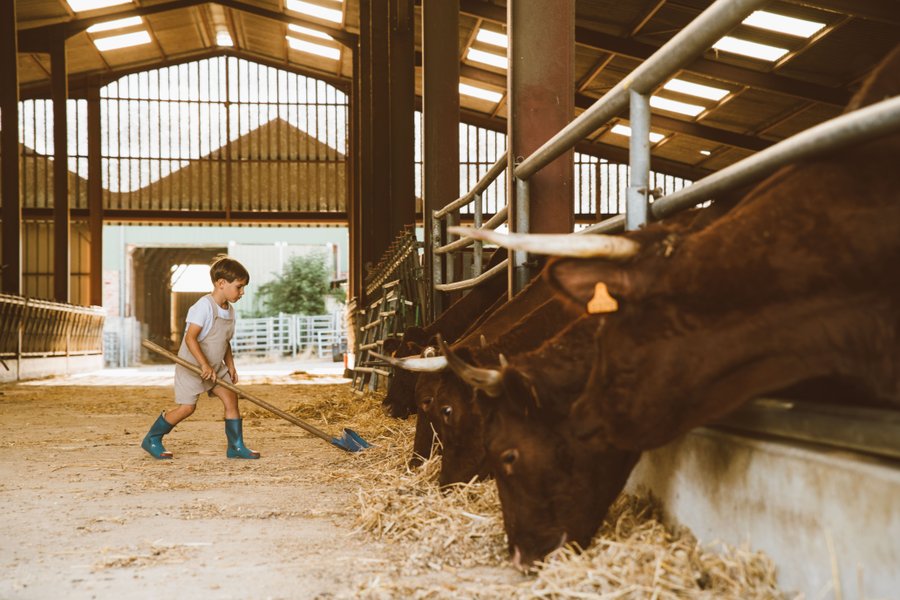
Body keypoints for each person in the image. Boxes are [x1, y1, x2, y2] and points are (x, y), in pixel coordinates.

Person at [141, 255, 260, 460]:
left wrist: (230, 366)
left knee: (231, 400)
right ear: (221, 283)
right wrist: (204, 365)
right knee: (187, 408)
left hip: (215, 365)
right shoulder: (203, 306)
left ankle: (235, 446)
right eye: (239, 287)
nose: (242, 292)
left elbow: (224, 341)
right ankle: (152, 438)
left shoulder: (229, 311)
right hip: (193, 366)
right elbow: (190, 338)